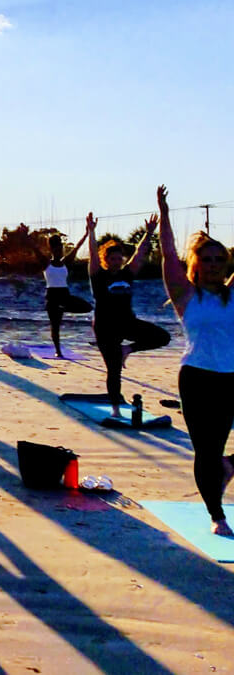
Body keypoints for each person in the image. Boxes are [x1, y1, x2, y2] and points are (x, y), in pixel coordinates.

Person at [156, 185, 234, 536]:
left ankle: (228, 467)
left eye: (220, 259)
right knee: (207, 449)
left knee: (219, 455)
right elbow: (167, 255)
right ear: (197, 264)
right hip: (198, 378)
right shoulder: (186, 295)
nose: (214, 265)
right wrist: (165, 215)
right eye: (208, 259)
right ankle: (217, 515)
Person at [86, 210, 170, 418]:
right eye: (112, 258)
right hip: (105, 328)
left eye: (119, 258)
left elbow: (139, 255)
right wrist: (91, 232)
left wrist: (149, 233)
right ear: (106, 260)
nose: (116, 261)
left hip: (127, 322)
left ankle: (128, 349)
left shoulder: (127, 274)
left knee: (163, 337)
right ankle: (115, 409)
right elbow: (93, 256)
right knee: (114, 369)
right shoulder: (99, 276)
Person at [40, 231, 92, 357]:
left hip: (64, 295)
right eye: (57, 249)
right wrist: (24, 235)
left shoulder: (66, 262)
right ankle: (58, 351)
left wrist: (86, 234)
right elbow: (35, 250)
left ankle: (63, 307)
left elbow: (77, 247)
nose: (60, 251)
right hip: (52, 296)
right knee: (55, 325)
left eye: (61, 249)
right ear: (51, 250)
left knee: (88, 307)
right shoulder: (46, 264)